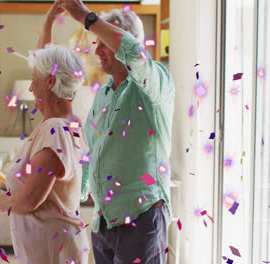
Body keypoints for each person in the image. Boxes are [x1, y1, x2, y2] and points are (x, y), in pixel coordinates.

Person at [58, 0, 175, 263]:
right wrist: (72, 200)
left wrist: (87, 17)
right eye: (95, 41)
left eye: (103, 40)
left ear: (125, 41)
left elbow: (135, 54)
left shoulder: (155, 83)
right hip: (103, 224)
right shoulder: (103, 95)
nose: (96, 48)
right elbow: (90, 151)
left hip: (141, 218)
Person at [0, 3, 90, 264]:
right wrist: (48, 23)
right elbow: (47, 66)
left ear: (50, 81)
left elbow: (32, 199)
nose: (31, 87)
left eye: (34, 78)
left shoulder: (55, 129)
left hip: (53, 253)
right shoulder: (68, 122)